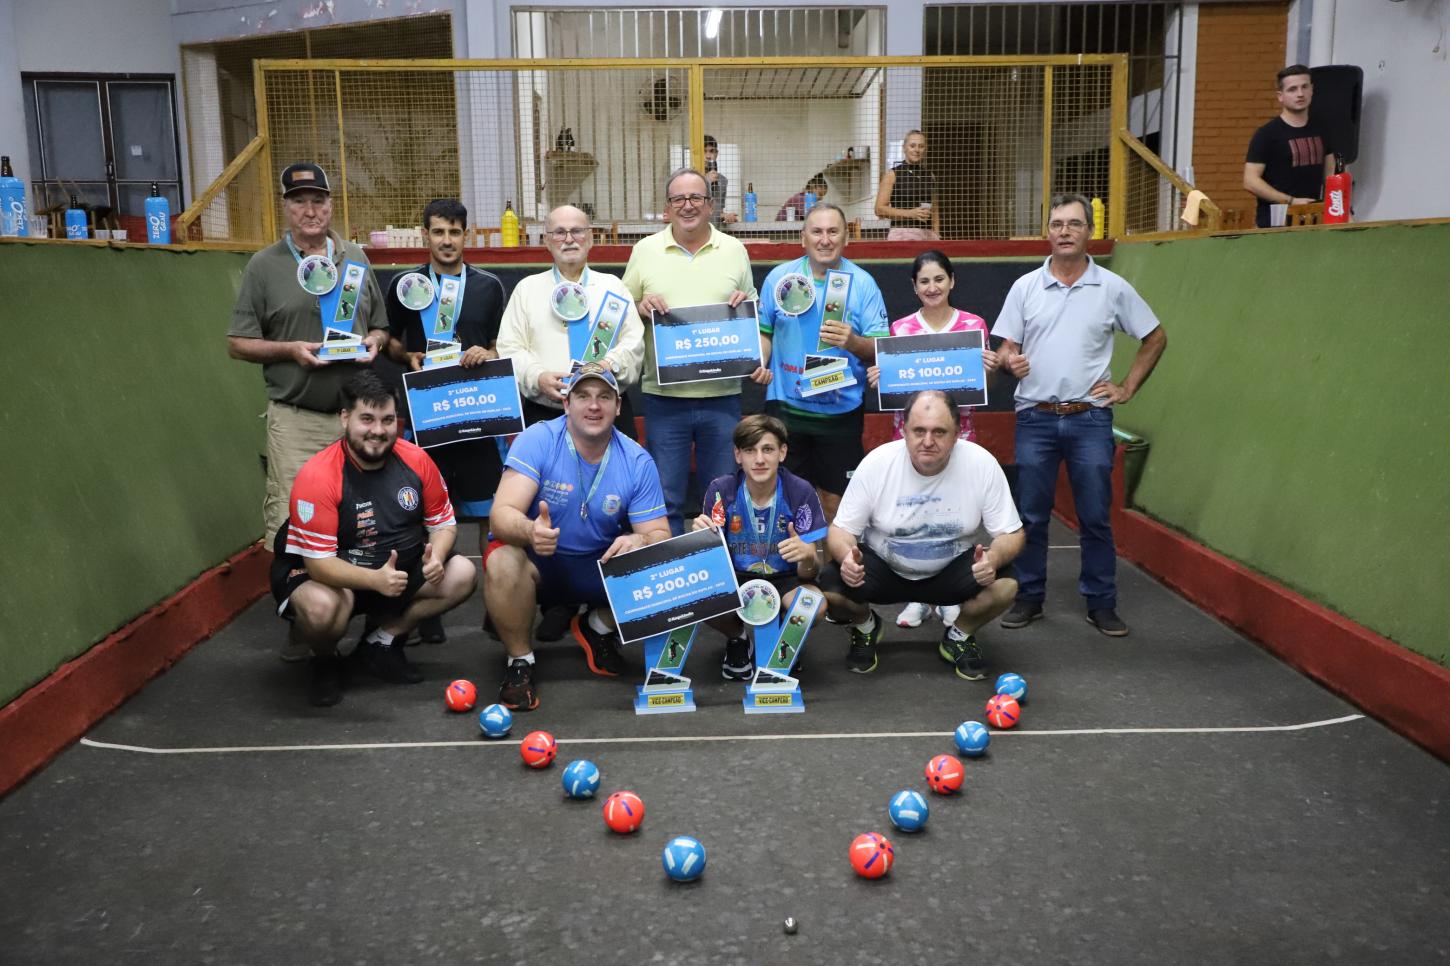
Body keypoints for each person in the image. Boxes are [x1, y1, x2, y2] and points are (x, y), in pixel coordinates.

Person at [227, 162, 389, 661]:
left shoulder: (354, 257)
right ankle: (306, 626)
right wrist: (289, 350)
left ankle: (374, 620)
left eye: (318, 200)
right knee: (294, 526)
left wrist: (373, 343)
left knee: (366, 521)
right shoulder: (264, 266)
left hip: (356, 423)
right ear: (286, 207)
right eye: (299, 201)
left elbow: (380, 327)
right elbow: (237, 343)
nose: (310, 210)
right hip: (297, 418)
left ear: (331, 204)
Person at [991, 193, 1167, 637]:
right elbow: (1006, 349)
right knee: (1031, 516)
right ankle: (1028, 598)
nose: (1065, 231)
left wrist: (1126, 387)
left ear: (1089, 231)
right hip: (1036, 418)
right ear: (1047, 232)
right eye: (1057, 224)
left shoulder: (1112, 288)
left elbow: (1155, 337)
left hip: (1090, 418)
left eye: (1074, 224)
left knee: (1094, 516)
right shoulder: (1025, 287)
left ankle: (1101, 603)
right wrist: (1010, 361)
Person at [271, 371, 477, 707]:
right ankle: (325, 660)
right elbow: (319, 565)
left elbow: (443, 524)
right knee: (322, 610)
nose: (378, 430)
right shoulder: (318, 476)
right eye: (367, 419)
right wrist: (375, 580)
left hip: (395, 573)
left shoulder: (417, 460)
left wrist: (438, 557)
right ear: (345, 418)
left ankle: (380, 642)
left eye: (387, 420)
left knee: (462, 574)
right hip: (331, 577)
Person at [482, 362, 672, 711]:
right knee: (502, 560)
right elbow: (502, 514)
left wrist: (640, 540)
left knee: (663, 565)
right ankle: (520, 661)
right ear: (566, 403)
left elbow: (660, 533)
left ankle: (596, 626)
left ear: (618, 406)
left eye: (604, 397)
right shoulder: (538, 439)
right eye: (583, 396)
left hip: (598, 565)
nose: (594, 406)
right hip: (540, 560)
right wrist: (530, 530)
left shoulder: (637, 460)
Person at [819, 390, 1023, 680]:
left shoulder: (981, 464)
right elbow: (841, 530)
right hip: (885, 569)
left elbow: (1012, 533)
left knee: (1006, 585)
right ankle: (866, 627)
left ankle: (959, 636)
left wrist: (994, 558)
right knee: (829, 586)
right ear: (904, 431)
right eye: (919, 431)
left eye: (939, 432)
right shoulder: (877, 463)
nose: (928, 441)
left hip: (951, 573)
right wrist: (846, 558)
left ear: (957, 434)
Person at [383, 198, 507, 645]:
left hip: (478, 414)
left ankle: (499, 606)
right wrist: (408, 356)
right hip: (427, 416)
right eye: (438, 231)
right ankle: (426, 609)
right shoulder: (405, 284)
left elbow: (501, 344)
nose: (447, 240)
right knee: (421, 514)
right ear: (425, 235)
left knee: (489, 513)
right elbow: (390, 342)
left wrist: (486, 353)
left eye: (455, 232)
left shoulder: (489, 286)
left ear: (465, 235)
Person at [622, 166, 768, 535]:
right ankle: (671, 566)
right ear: (667, 207)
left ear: (710, 205)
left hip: (722, 398)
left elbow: (753, 311)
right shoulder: (644, 251)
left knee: (720, 499)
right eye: (679, 199)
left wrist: (744, 305)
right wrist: (640, 306)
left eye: (696, 198)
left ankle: (720, 567)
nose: (688, 205)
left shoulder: (734, 250)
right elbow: (621, 310)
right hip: (664, 398)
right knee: (664, 499)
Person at [865, 250, 1000, 631]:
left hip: (960, 436)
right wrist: (880, 379)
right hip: (910, 439)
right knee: (916, 515)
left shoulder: (973, 325)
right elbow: (893, 388)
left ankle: (948, 596)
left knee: (953, 517)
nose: (932, 287)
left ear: (951, 281)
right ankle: (918, 597)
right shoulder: (900, 329)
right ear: (914, 286)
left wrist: (990, 371)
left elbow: (984, 387)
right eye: (924, 281)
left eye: (939, 279)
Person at [758, 203, 888, 520]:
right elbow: (764, 333)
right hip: (786, 409)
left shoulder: (863, 284)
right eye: (817, 232)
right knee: (788, 502)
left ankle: (834, 554)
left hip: (840, 413)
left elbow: (882, 348)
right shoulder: (780, 279)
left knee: (836, 502)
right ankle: (798, 556)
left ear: (846, 238)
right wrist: (757, 363)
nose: (825, 239)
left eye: (833, 232)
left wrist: (853, 341)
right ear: (803, 238)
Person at [690, 415, 828, 680]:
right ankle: (738, 639)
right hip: (737, 578)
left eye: (768, 449)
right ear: (738, 455)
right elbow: (711, 565)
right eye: (750, 451)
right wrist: (700, 540)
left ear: (782, 452)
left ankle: (786, 640)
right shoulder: (721, 490)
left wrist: (808, 557)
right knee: (699, 597)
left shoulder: (800, 491)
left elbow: (810, 573)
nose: (760, 459)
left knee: (814, 604)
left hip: (787, 579)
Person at [496, 205, 644, 435]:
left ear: (590, 238)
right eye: (559, 232)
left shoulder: (613, 287)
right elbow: (510, 347)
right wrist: (538, 377)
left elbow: (633, 342)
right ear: (547, 241)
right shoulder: (527, 289)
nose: (569, 239)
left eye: (577, 231)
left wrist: (609, 364)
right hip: (545, 413)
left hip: (606, 411)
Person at [1244, 65, 1337, 229]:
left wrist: (1342, 211)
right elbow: (1250, 181)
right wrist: (1292, 201)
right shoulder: (1267, 134)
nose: (1300, 94)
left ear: (1312, 90)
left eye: (1304, 87)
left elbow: (1331, 177)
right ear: (1280, 96)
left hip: (1313, 221)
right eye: (1292, 89)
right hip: (1275, 224)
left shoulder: (1322, 130)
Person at [874, 130, 939, 241]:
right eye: (912, 146)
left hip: (927, 235)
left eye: (921, 146)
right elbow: (879, 209)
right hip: (901, 234)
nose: (917, 150)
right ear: (904, 148)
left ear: (925, 149)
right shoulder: (892, 174)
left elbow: (935, 209)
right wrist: (910, 213)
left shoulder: (930, 175)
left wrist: (937, 233)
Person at [703, 135, 739, 226]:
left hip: (714, 230)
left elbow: (717, 212)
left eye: (712, 151)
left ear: (717, 153)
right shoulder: (689, 178)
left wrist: (725, 216)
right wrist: (705, 182)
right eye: (704, 151)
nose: (708, 156)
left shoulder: (722, 180)